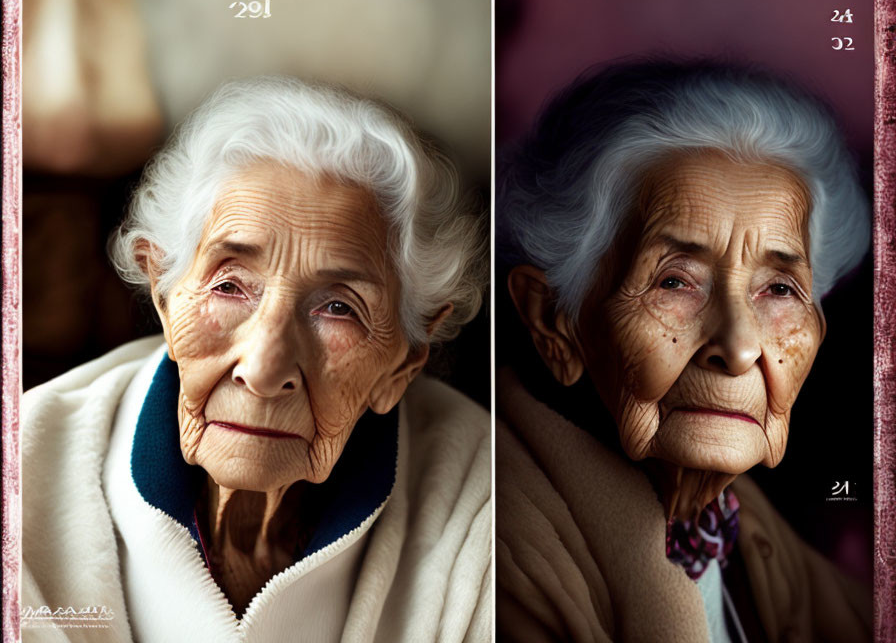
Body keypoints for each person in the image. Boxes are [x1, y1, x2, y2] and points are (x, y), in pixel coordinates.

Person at [22, 77, 491, 642]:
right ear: (166, 298)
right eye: (228, 287)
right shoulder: (25, 480)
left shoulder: (484, 508)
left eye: (339, 308)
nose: (264, 371)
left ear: (403, 364)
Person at [495, 61, 872, 642]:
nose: (740, 346)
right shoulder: (503, 568)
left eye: (779, 290)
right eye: (675, 281)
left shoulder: (751, 538)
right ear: (554, 321)